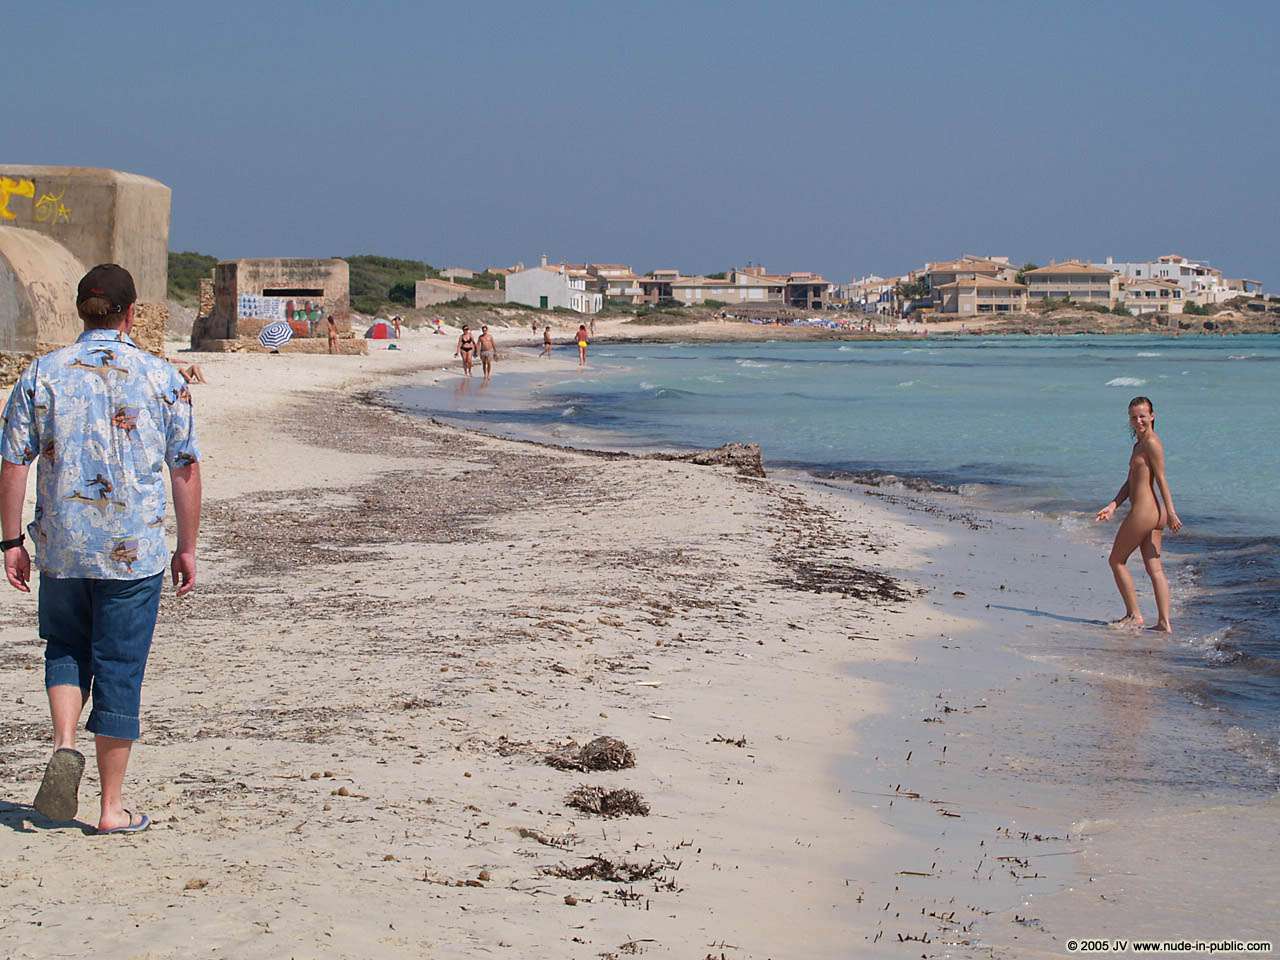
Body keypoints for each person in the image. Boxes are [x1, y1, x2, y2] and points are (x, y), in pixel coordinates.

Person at [1, 263, 202, 834]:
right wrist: (187, 547)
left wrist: (11, 540)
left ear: (79, 311)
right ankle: (111, 807)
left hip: (62, 546)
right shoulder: (162, 377)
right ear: (131, 313)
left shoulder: (42, 374)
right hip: (133, 549)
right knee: (120, 665)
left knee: (66, 646)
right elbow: (184, 469)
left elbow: (13, 462)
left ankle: (65, 743)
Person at [1095, 396, 1182, 632]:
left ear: (1152, 416)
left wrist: (1172, 513)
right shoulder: (1139, 444)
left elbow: (1162, 479)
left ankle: (1134, 615)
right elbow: (1131, 482)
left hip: (1145, 512)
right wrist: (1113, 505)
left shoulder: (1152, 443)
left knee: (1116, 560)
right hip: (1153, 512)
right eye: (1133, 417)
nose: (1138, 421)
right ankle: (1164, 623)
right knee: (1154, 568)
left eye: (1142, 416)